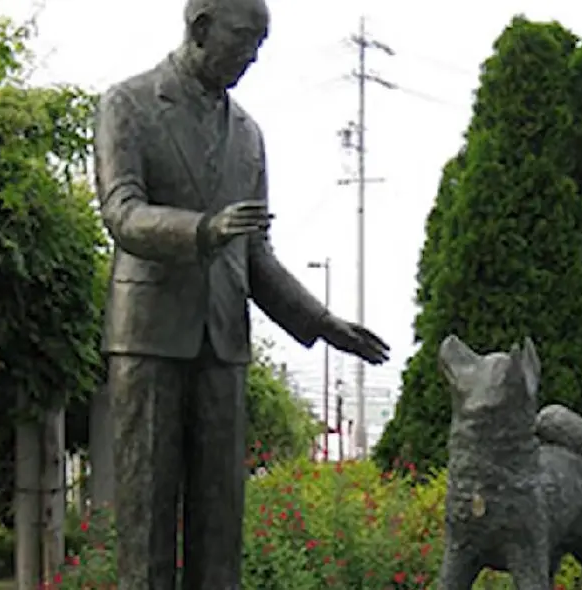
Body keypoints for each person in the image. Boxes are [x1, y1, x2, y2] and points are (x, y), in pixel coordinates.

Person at [93, 0, 390, 587]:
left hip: (224, 342)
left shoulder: (249, 135)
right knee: (147, 516)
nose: (253, 56)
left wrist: (325, 324)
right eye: (245, 39)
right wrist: (203, 230)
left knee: (221, 518)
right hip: (149, 336)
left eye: (261, 43)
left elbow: (255, 257)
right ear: (200, 28)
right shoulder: (127, 104)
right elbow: (122, 213)